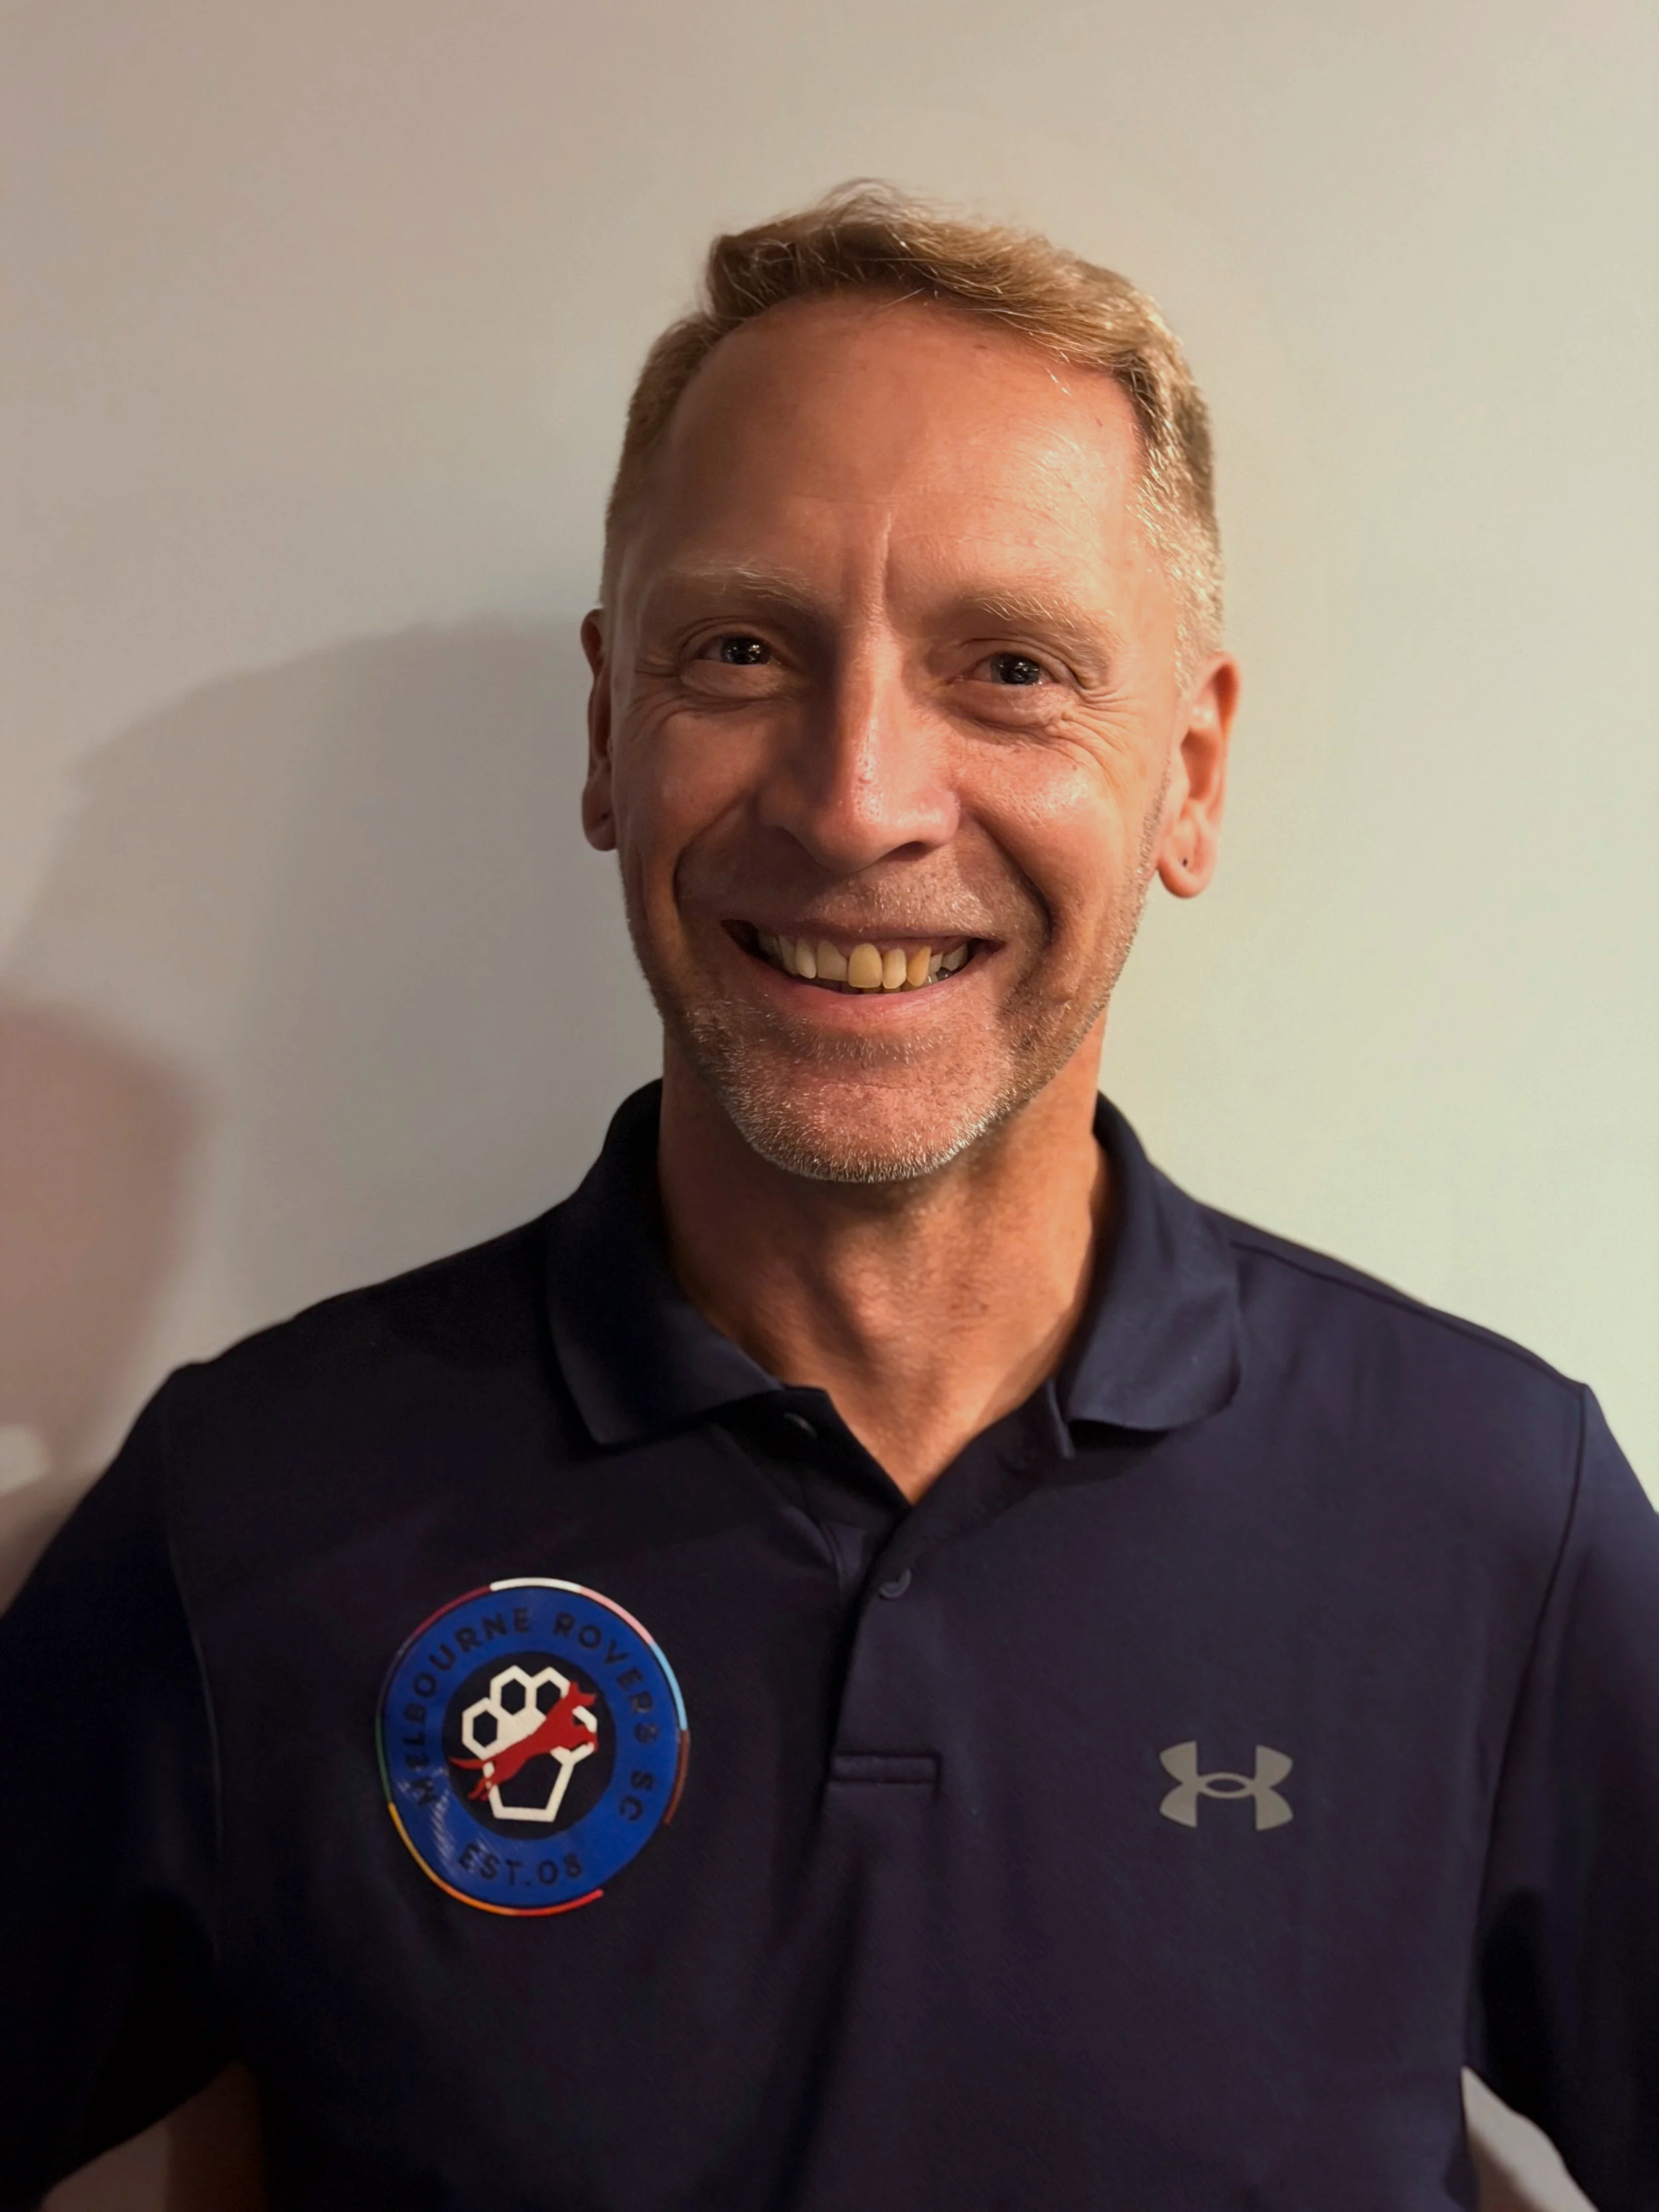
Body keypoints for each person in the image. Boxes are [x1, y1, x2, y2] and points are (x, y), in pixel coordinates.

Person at [2, 182, 1654, 2212]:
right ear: (611, 725)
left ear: (1191, 770)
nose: (855, 793)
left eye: (1012, 667)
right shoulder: (241, 1515)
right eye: (743, 647)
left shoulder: (1494, 1514)